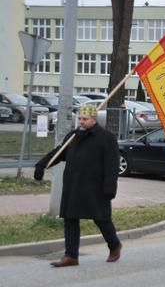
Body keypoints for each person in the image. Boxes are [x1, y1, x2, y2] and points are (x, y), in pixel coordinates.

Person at [33, 104, 122, 267]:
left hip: (95, 187)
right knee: (70, 219)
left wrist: (110, 188)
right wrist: (41, 165)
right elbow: (58, 154)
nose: (81, 122)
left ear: (93, 120)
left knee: (101, 219)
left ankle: (114, 245)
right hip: (73, 185)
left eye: (85, 119)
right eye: (79, 119)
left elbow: (112, 166)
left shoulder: (106, 138)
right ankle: (71, 255)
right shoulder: (73, 136)